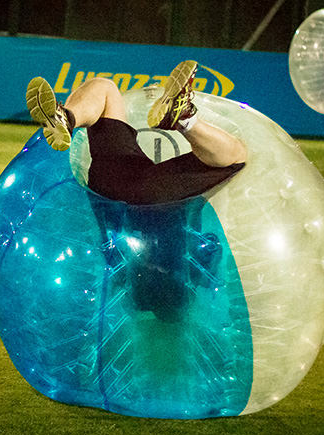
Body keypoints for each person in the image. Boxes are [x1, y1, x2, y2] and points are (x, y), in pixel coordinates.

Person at [24, 60, 247, 322]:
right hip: (109, 188)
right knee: (106, 91)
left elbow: (210, 246)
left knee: (236, 157)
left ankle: (70, 117)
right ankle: (67, 118)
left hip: (154, 195)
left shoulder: (192, 275)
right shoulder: (124, 278)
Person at [25, 60, 247, 204]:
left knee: (104, 87)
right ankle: (184, 119)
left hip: (107, 181)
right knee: (237, 156)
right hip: (150, 196)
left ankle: (67, 117)